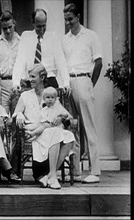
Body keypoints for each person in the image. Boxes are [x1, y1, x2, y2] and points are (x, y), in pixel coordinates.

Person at [13, 63, 75, 189]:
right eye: (29, 76)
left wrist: (60, 117)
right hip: (33, 131)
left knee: (69, 136)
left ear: (42, 78)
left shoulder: (50, 95)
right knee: (55, 133)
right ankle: (52, 175)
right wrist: (19, 114)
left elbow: (67, 116)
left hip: (48, 129)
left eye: (32, 77)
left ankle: (50, 175)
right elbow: (15, 114)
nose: (30, 80)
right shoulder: (25, 96)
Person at [62, 3, 103, 183]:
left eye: (70, 19)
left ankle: (95, 171)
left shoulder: (91, 36)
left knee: (89, 126)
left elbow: (99, 63)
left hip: (84, 80)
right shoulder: (65, 39)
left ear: (78, 17)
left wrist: (90, 84)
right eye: (66, 20)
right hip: (68, 83)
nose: (68, 23)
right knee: (72, 127)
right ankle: (76, 171)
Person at [12, 8, 70, 95]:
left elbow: (61, 62)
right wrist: (15, 82)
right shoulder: (26, 37)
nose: (42, 29)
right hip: (31, 82)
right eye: (39, 26)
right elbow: (19, 61)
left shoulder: (53, 38)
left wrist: (66, 83)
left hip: (49, 81)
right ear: (33, 23)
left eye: (44, 26)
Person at [0, 10, 20, 115]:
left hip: (18, 84)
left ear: (14, 24)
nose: (7, 31)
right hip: (1, 85)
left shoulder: (21, 42)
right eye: (4, 28)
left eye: (10, 27)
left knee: (17, 117)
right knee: (3, 117)